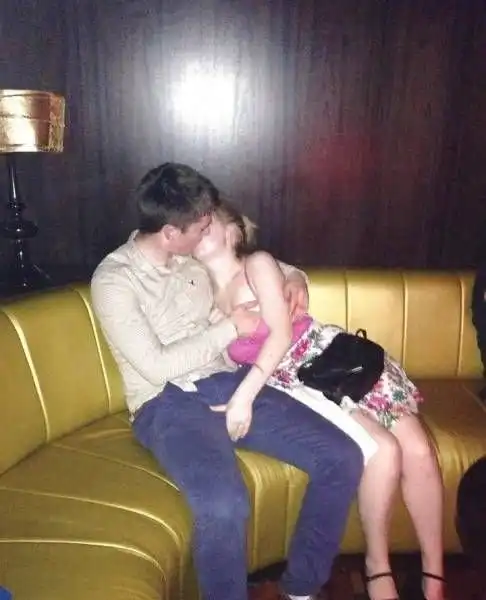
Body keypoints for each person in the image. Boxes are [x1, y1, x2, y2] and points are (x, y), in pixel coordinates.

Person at [90, 162, 366, 600]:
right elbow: (155, 366)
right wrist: (230, 328)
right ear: (170, 232)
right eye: (201, 227)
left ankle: (301, 588)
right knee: (224, 504)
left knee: (343, 457)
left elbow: (262, 264)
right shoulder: (114, 280)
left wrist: (294, 278)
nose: (208, 231)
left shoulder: (188, 257)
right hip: (166, 403)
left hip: (228, 381)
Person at [192, 200, 446, 600]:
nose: (198, 228)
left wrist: (292, 278)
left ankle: (435, 574)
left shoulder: (256, 264)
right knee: (385, 450)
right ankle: (377, 566)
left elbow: (280, 330)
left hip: (331, 360)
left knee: (419, 448)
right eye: (192, 224)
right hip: (297, 386)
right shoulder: (202, 303)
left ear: (233, 231)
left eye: (207, 222)